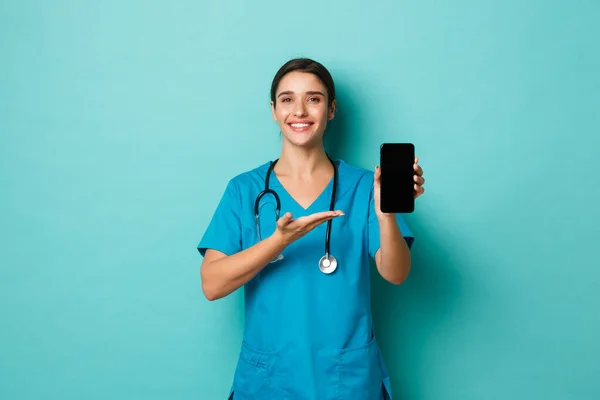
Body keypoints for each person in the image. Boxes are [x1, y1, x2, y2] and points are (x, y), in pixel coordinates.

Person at [197, 58, 425, 400]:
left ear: (331, 110)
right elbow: (212, 284)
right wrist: (277, 242)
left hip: (345, 379)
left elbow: (395, 273)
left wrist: (386, 213)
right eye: (287, 99)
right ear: (273, 110)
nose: (299, 110)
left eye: (314, 99)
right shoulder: (244, 190)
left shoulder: (363, 186)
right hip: (269, 379)